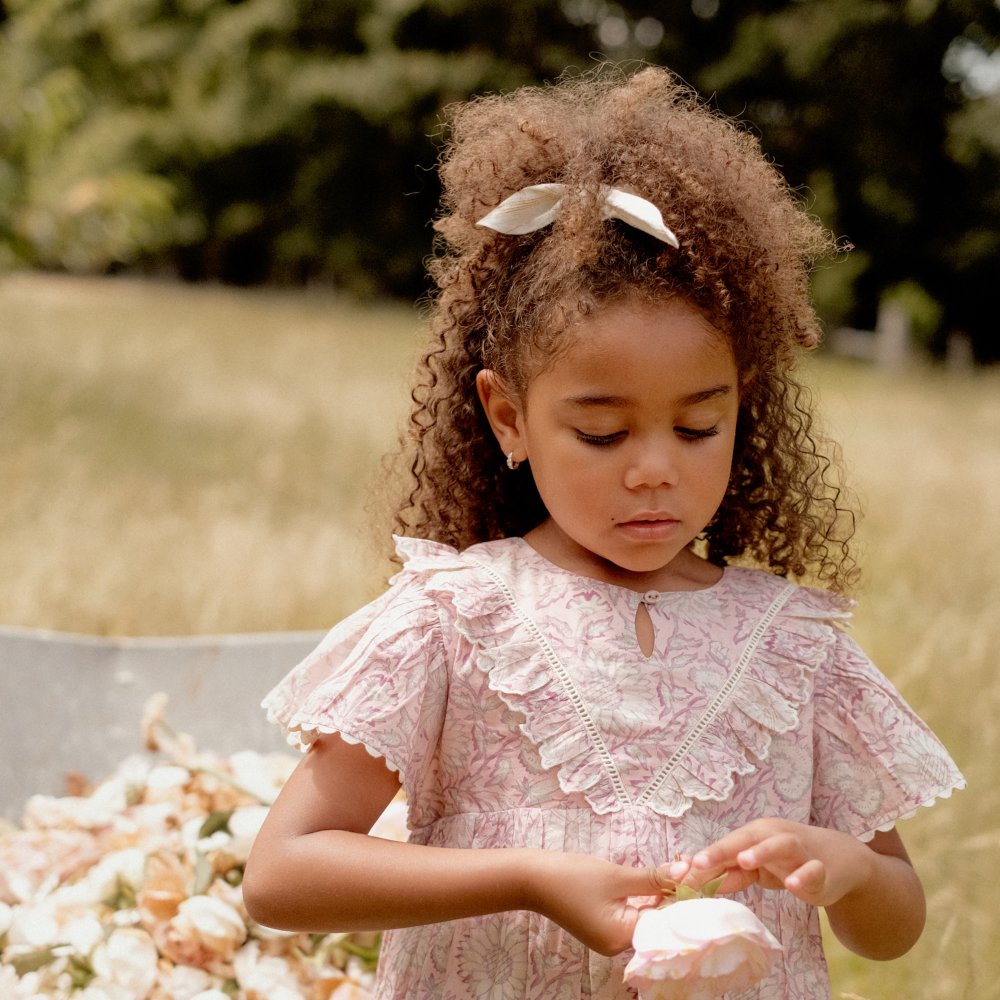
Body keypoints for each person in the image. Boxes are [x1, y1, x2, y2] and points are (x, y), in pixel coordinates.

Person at [242, 66, 964, 999]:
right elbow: (284, 874)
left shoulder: (796, 648)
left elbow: (895, 923)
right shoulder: (454, 618)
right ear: (508, 418)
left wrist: (849, 869)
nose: (655, 466)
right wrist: (528, 877)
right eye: (602, 431)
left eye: (700, 425)